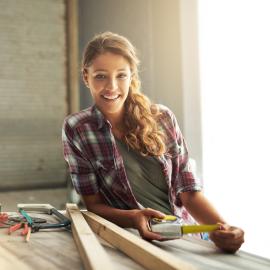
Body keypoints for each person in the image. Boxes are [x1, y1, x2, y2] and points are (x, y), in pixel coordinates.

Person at [62, 31, 244, 253]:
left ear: (131, 76)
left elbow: (189, 191)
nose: (111, 86)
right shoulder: (77, 128)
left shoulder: (163, 118)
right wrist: (134, 218)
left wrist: (223, 228)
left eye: (121, 75)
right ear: (85, 76)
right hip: (135, 242)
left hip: (188, 237)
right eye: (101, 76)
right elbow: (94, 205)